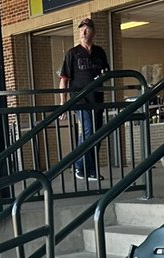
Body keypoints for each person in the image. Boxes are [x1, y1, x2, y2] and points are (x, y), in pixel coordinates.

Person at [58, 17, 109, 182]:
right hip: (80, 100)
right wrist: (63, 102)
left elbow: (106, 73)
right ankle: (79, 166)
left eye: (86, 29)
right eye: (81, 30)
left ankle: (92, 170)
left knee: (97, 134)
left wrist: (103, 76)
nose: (83, 32)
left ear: (93, 32)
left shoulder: (99, 52)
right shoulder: (72, 53)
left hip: (97, 100)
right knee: (87, 132)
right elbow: (64, 79)